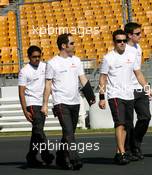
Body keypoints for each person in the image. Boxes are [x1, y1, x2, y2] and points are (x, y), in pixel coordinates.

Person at [41, 33, 95, 170]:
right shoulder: (52, 63)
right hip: (61, 102)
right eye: (72, 43)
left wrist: (91, 96)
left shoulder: (76, 60)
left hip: (75, 102)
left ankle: (60, 155)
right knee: (69, 131)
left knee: (69, 133)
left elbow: (82, 78)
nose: (74, 45)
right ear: (64, 46)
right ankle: (74, 158)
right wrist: (45, 104)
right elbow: (48, 84)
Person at [98, 29, 151, 165]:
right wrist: (102, 97)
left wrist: (147, 88)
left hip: (129, 95)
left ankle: (118, 152)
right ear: (114, 42)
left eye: (123, 41)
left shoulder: (131, 55)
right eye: (118, 41)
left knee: (127, 126)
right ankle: (122, 152)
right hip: (115, 95)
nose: (121, 43)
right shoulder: (108, 57)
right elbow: (103, 78)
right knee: (120, 123)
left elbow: (138, 74)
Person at [18, 46, 54, 167]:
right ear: (29, 57)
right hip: (32, 103)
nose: (37, 59)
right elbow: (21, 92)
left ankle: (31, 156)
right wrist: (25, 110)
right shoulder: (24, 71)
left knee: (36, 132)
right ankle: (46, 154)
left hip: (42, 103)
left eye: (39, 56)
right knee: (39, 130)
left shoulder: (45, 67)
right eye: (34, 57)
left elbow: (50, 83)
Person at [124, 22, 151, 160]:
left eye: (141, 33)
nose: (141, 35)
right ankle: (128, 150)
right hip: (126, 90)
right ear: (129, 35)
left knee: (145, 117)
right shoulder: (122, 49)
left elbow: (138, 71)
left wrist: (147, 87)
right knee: (128, 122)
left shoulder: (138, 47)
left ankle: (136, 142)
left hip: (139, 88)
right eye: (137, 33)